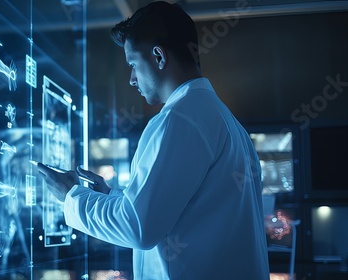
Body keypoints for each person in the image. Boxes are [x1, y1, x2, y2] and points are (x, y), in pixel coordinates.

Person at [36, 1, 270, 279]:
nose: (132, 79)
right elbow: (181, 211)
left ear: (159, 57)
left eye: (133, 64)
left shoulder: (179, 119)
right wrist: (112, 197)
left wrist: (71, 197)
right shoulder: (226, 122)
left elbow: (137, 228)